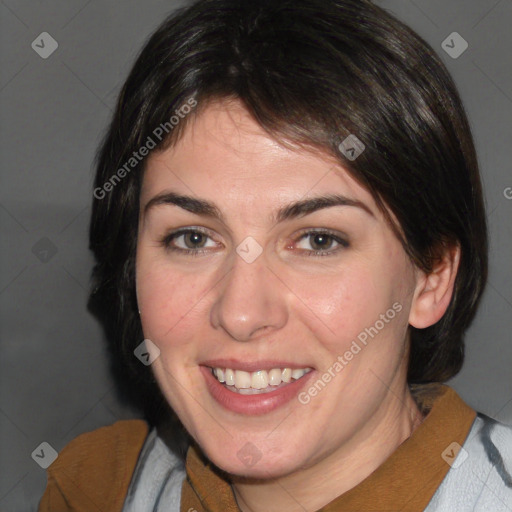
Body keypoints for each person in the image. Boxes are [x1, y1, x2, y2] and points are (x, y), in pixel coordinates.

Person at [39, 0, 512, 511]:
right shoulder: (96, 491)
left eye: (318, 240)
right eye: (193, 239)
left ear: (433, 277)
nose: (242, 313)